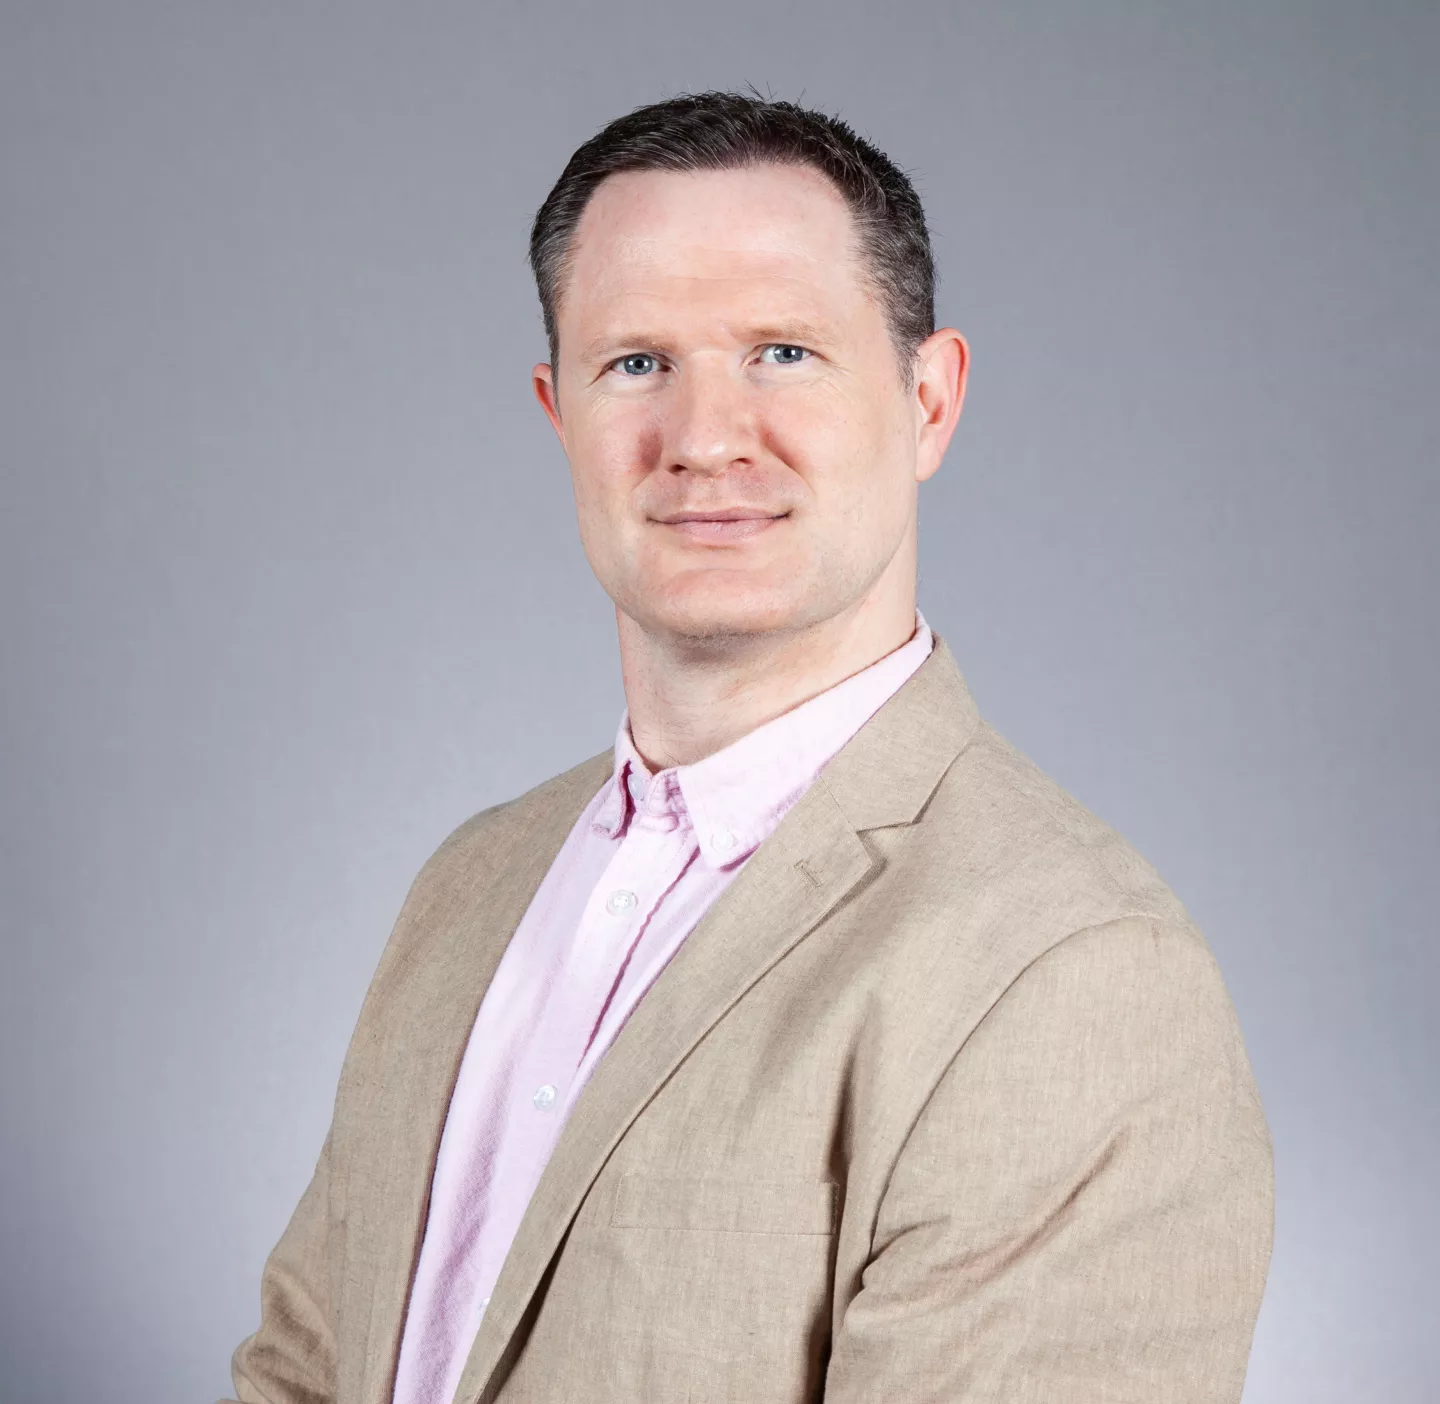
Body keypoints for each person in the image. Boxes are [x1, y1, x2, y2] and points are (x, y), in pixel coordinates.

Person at [225, 91, 1273, 1404]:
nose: (706, 437)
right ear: (561, 414)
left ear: (931, 401)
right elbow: (302, 1369)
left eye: (781, 351)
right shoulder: (468, 888)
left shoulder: (1080, 975)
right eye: (638, 363)